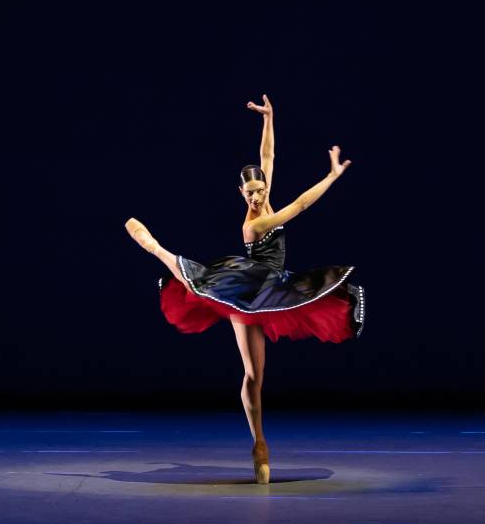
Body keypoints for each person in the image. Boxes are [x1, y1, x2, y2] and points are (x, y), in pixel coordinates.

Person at [122, 94, 364, 484]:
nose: (256, 196)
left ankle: (258, 442)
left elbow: (267, 157)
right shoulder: (254, 224)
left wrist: (269, 119)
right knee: (249, 370)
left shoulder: (264, 191)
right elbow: (300, 205)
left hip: (272, 286)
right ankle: (261, 443)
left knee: (258, 376)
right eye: (249, 193)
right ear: (241, 195)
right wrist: (333, 177)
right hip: (247, 290)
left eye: (260, 189)